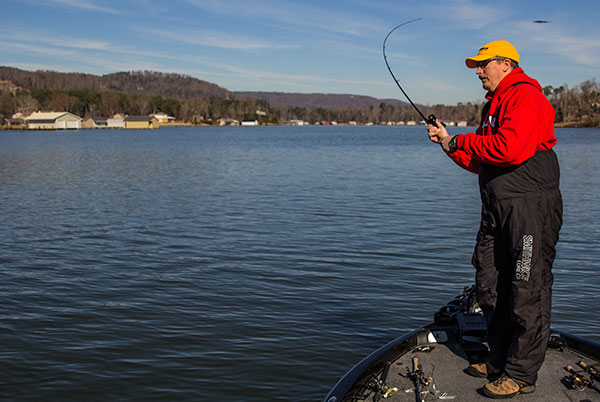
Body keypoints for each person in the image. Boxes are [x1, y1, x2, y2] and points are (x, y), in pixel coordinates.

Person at [427, 40, 563, 399]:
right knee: (490, 283)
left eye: (483, 64)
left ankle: (521, 374)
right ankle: (499, 356)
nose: (478, 71)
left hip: (529, 208)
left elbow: (510, 147)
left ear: (505, 64)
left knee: (527, 289)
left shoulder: (525, 96)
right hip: (497, 208)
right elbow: (481, 160)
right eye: (477, 65)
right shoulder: (495, 104)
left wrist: (462, 140)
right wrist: (448, 143)